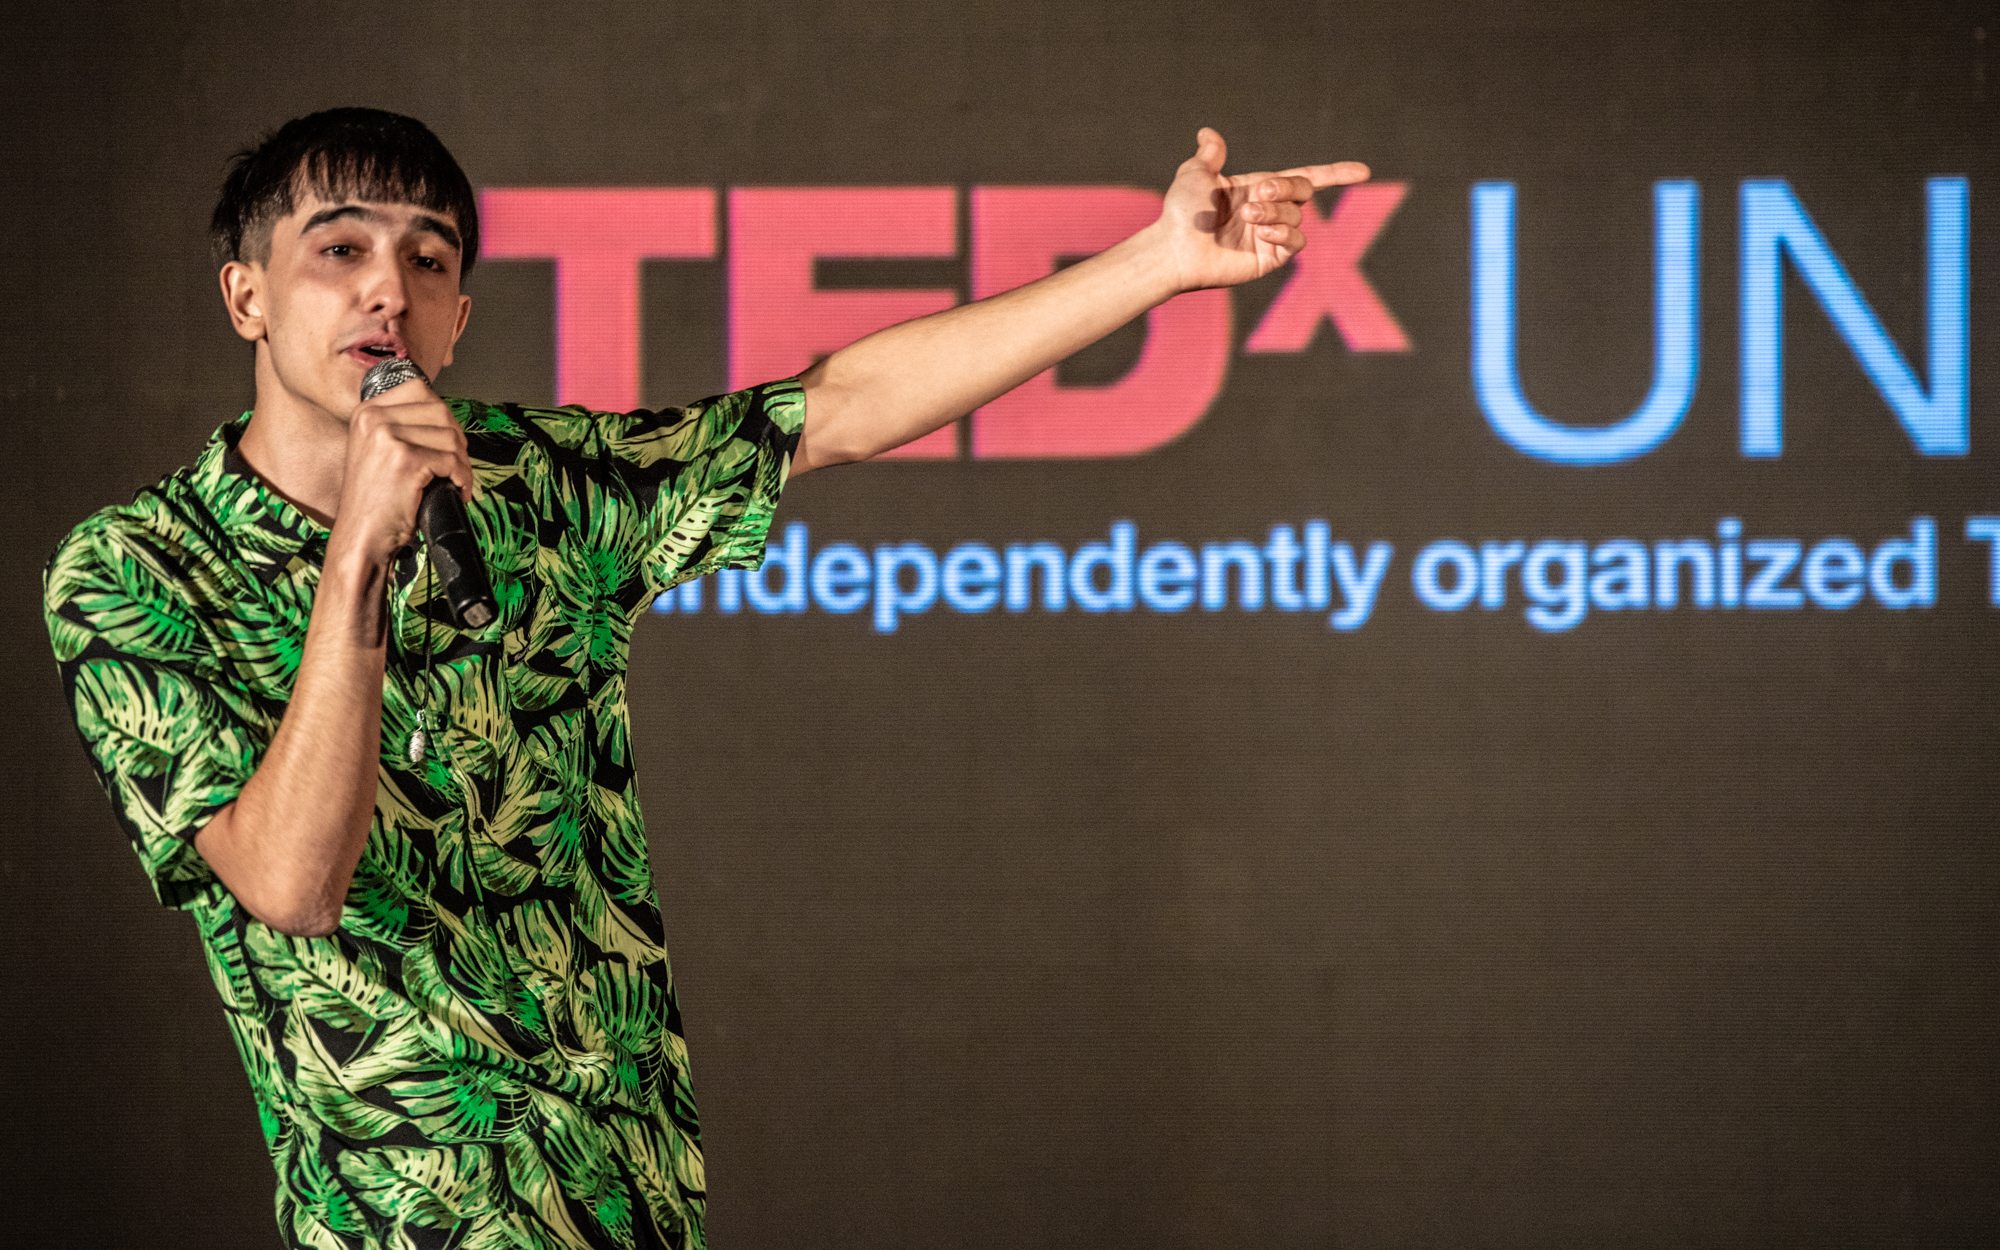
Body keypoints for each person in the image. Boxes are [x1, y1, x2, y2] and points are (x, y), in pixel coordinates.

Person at [42, 107, 1365, 1249]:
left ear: (456, 319)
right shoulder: (134, 570)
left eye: (427, 259)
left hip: (633, 1198)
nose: (387, 287)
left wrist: (1157, 262)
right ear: (248, 296)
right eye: (340, 250)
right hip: (405, 1220)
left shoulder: (535, 485)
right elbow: (289, 884)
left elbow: (832, 410)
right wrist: (358, 560)